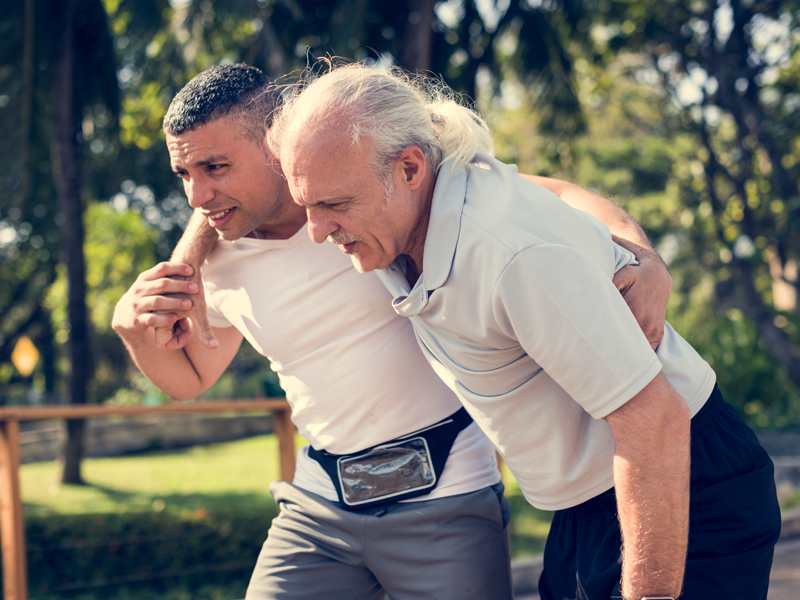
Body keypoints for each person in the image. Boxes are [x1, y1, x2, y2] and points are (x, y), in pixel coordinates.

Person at [112, 64, 670, 600]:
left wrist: (641, 254)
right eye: (184, 174)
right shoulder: (214, 259)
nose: (195, 195)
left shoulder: (376, 191)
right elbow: (190, 378)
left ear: (274, 142)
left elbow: (554, 196)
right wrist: (135, 332)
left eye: (215, 168)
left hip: (449, 489)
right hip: (320, 504)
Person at [269, 63, 783, 600]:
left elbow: (656, 421)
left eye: (334, 205)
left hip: (680, 479)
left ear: (410, 168)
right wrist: (638, 247)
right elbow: (559, 190)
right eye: (308, 204)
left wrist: (643, 258)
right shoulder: (429, 203)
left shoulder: (510, 254)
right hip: (589, 498)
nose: (318, 230)